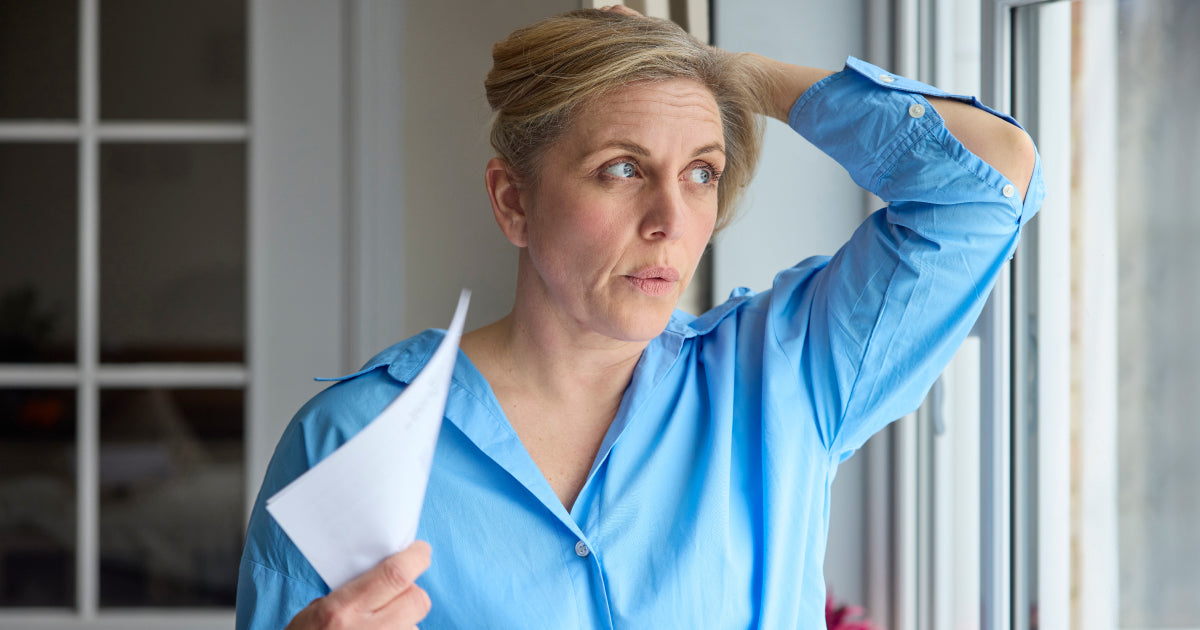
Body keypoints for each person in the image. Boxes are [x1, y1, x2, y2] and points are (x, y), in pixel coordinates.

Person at [236, 5, 1042, 629]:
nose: (670, 218)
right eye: (622, 168)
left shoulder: (789, 377)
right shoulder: (349, 443)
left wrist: (726, 74)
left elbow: (987, 183)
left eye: (700, 172)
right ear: (513, 202)